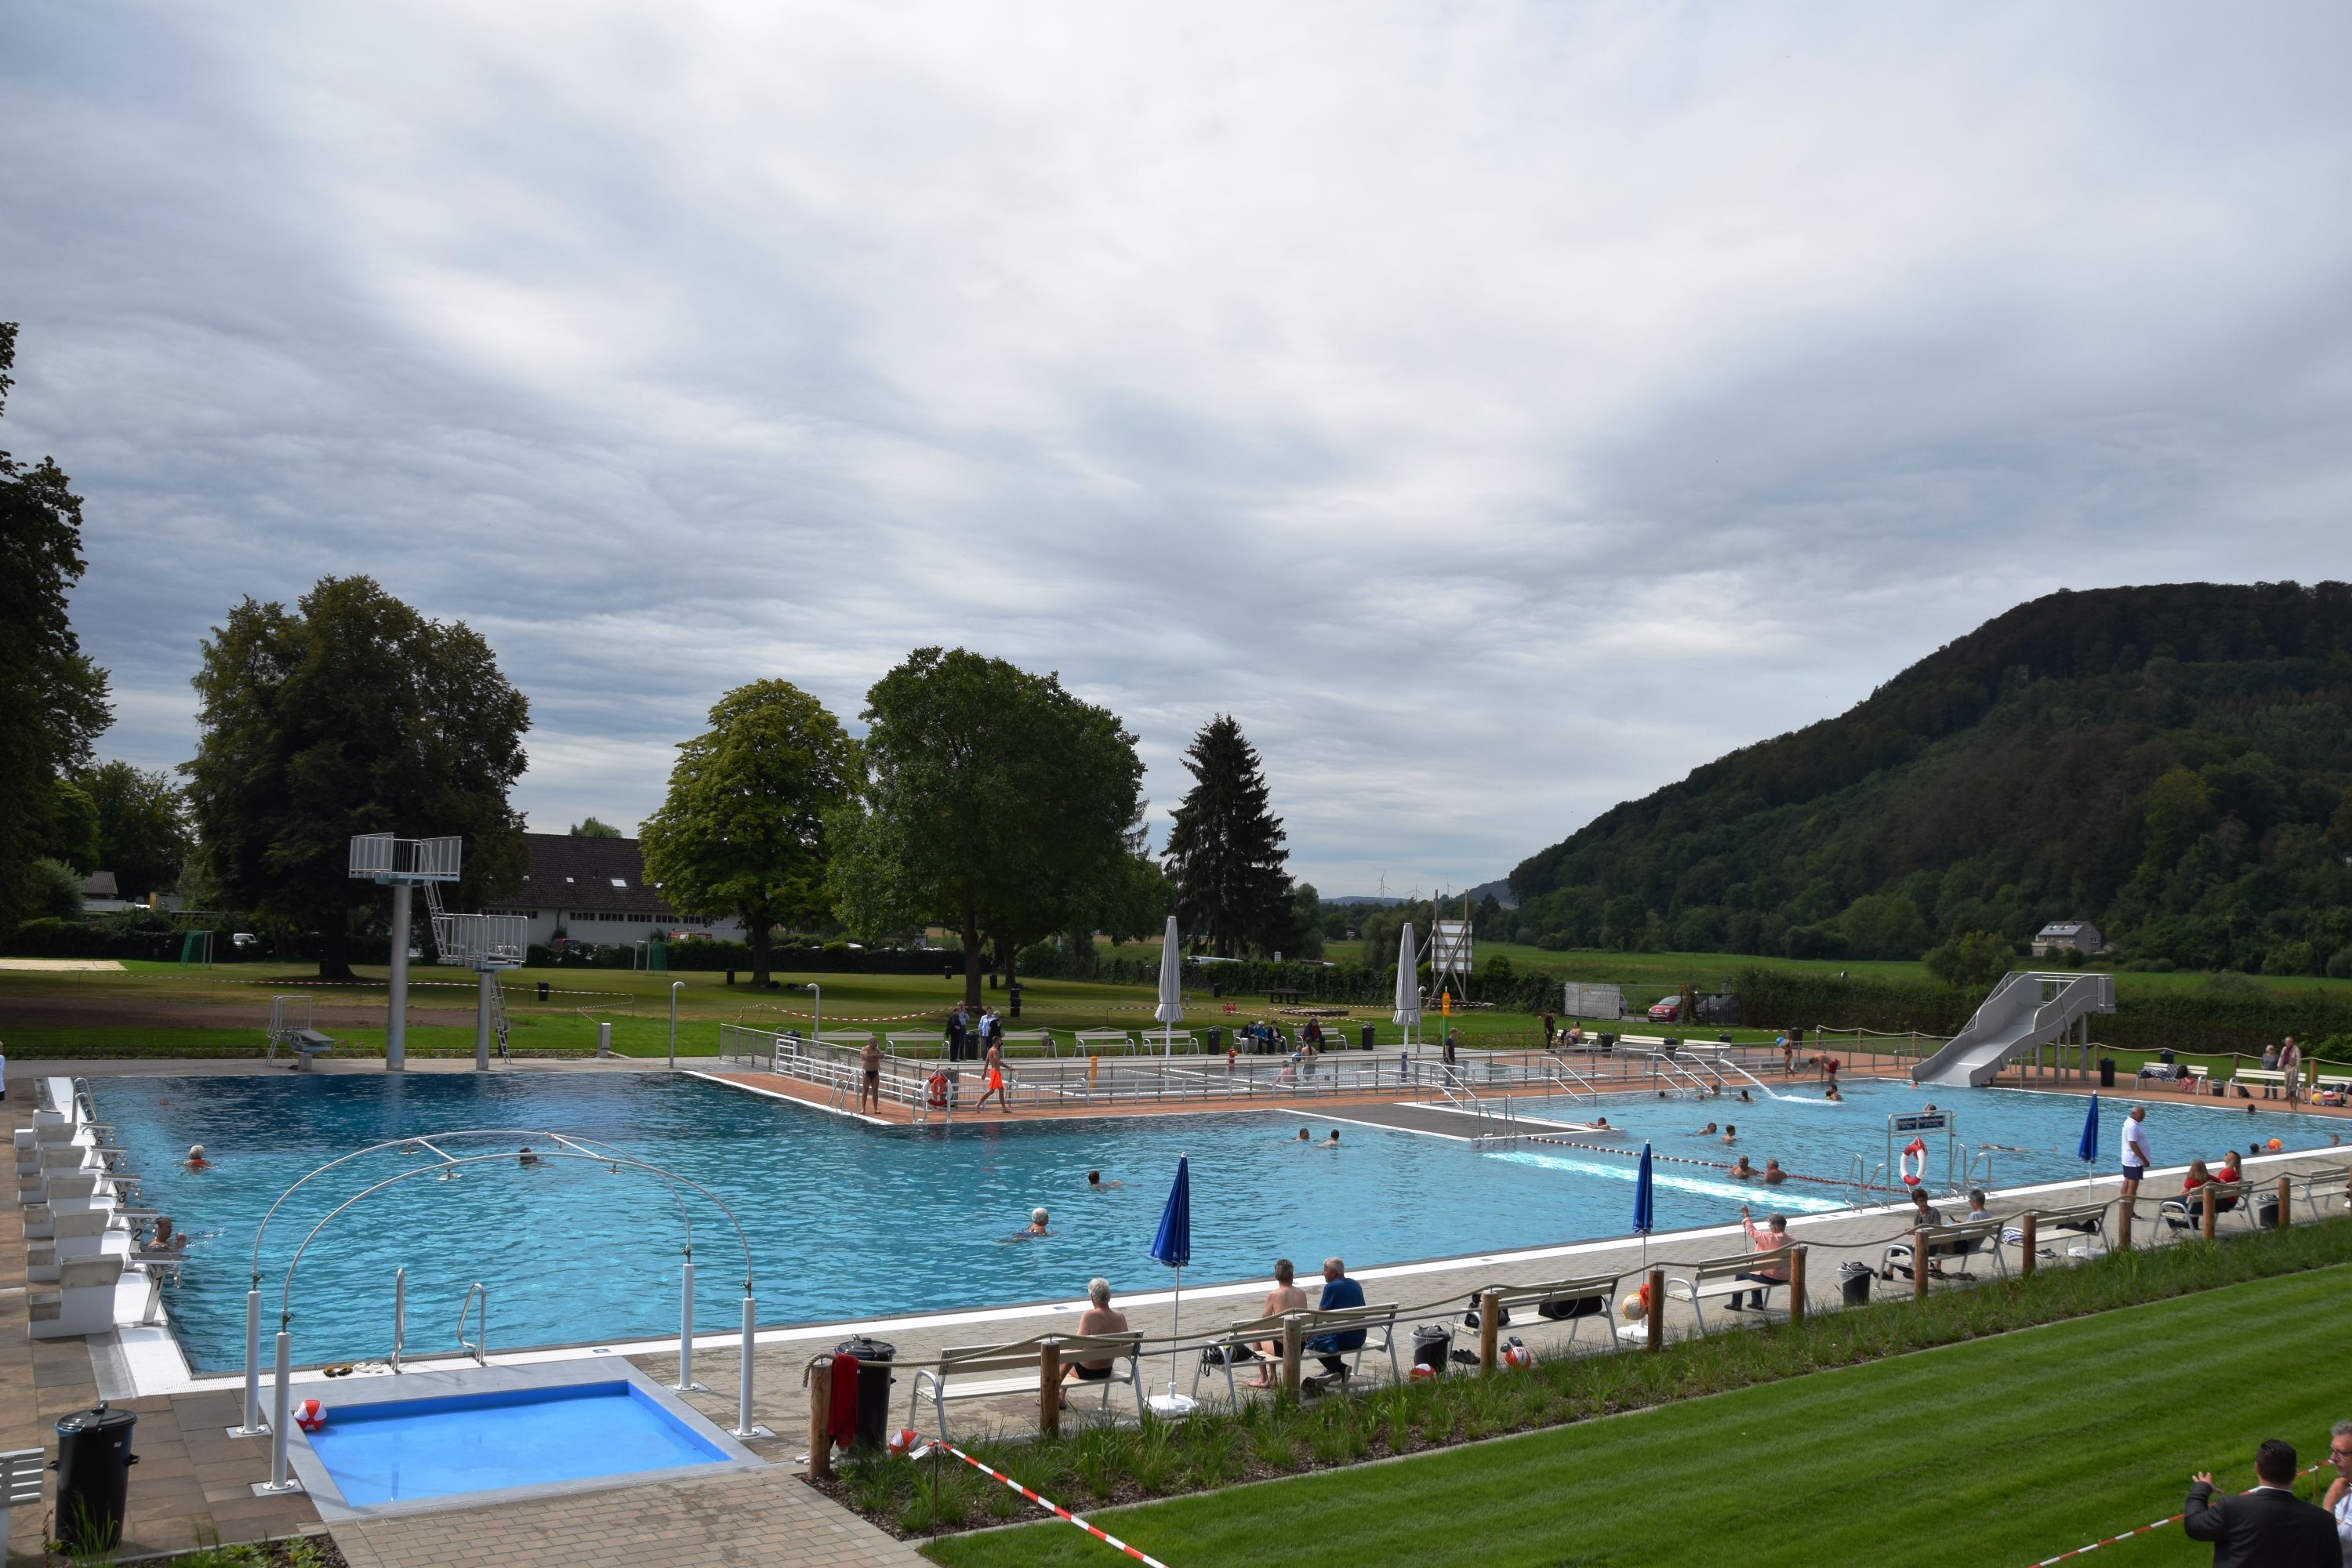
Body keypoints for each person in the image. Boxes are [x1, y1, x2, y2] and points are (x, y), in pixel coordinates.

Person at [2183, 1439, 2339, 1566]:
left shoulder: (2232, 1508)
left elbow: (2194, 1525)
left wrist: (2201, 1489)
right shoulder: (2323, 1520)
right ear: (2294, 1473)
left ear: (2257, 1468)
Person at [1058, 1279, 1132, 1408]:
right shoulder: (1120, 1316)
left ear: (1092, 1297)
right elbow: (1127, 1345)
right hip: (1106, 1371)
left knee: (1064, 1357)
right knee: (1072, 1357)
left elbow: (1077, 1345)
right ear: (1109, 1296)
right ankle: (1060, 1394)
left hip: (1087, 1372)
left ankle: (1054, 1395)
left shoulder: (1089, 1316)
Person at [1247, 1260, 1310, 1387]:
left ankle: (1265, 1379)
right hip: (1300, 1346)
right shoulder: (1301, 1293)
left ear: (1276, 1277)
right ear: (1292, 1276)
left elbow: (1263, 1321)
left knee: (1257, 1333)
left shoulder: (1274, 1295)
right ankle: (1272, 1376)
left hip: (1283, 1349)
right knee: (1274, 1333)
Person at [1304, 1258, 1367, 1384]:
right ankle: (1333, 1370)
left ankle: (1339, 1368)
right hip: (1359, 1337)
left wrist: (1307, 1333)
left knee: (1310, 1338)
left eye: (1325, 1270)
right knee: (1332, 1331)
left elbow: (1319, 1317)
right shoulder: (1355, 1284)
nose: (1323, 1273)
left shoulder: (1331, 1287)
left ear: (1333, 1273)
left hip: (1343, 1339)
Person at [1731, 1206, 1791, 1311]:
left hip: (1771, 1278)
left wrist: (1746, 1215)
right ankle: (1756, 1303)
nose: (1770, 1228)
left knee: (1741, 1273)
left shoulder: (1769, 1237)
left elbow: (1751, 1231)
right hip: (1786, 1277)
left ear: (1775, 1227)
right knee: (1756, 1271)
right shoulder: (1791, 1239)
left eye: (1770, 1225)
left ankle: (1736, 1304)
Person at [2321, 1420, 2352, 1563]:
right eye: (2333, 1451)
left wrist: (2329, 1502)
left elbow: (2339, 1542)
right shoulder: (2346, 1488)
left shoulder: (2338, 1491)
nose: (2332, 1459)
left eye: (2340, 1453)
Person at [2121, 1105, 2154, 1202]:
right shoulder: (2132, 1126)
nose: (2144, 1117)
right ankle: (2129, 1210)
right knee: (2132, 1186)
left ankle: (2124, 1206)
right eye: (2142, 1115)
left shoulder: (2131, 1123)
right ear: (2134, 1114)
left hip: (2129, 1159)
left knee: (2127, 1182)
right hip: (2134, 1161)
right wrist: (2144, 1160)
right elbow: (2133, 1144)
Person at [974, 1040, 1011, 1115]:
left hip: (996, 1073)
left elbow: (987, 1062)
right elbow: (998, 1062)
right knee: (991, 1091)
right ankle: (978, 1104)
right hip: (995, 1073)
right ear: (997, 1041)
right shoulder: (995, 1051)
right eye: (1000, 1040)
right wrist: (1008, 1067)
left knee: (1001, 1089)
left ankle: (1004, 1108)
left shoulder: (990, 1050)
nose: (1001, 1041)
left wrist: (984, 1073)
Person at [858, 1036, 882, 1115]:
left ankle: (876, 1108)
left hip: (875, 1072)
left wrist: (873, 1055)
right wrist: (876, 1056)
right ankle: (863, 1109)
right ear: (870, 1043)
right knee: (865, 1090)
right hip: (867, 1072)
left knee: (875, 1089)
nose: (876, 1044)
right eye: (875, 1043)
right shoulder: (864, 1049)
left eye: (877, 1043)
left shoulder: (877, 1050)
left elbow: (882, 1056)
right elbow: (868, 1057)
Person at [2281, 1036, 2303, 1105]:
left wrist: (2297, 1068)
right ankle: (2287, 1095)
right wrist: (2279, 1066)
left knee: (2294, 1082)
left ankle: (2297, 1096)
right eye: (2287, 1042)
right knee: (2286, 1082)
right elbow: (2281, 1057)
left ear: (2292, 1042)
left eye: (2289, 1041)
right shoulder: (2284, 1048)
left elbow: (2298, 1059)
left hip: (2293, 1067)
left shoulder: (2296, 1049)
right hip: (2286, 1067)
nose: (2288, 1043)